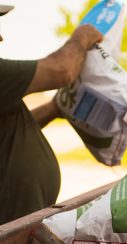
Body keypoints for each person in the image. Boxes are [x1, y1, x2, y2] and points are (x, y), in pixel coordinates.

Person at [0, 5, 103, 225]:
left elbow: (8, 129)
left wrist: (54, 108)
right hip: (9, 230)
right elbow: (61, 70)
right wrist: (81, 37)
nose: (0, 37)